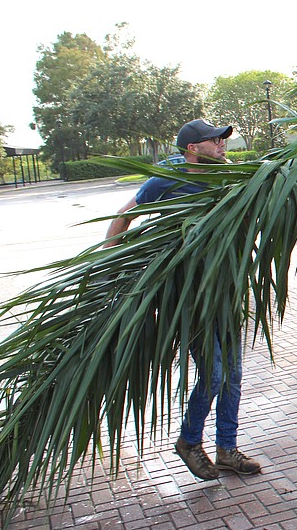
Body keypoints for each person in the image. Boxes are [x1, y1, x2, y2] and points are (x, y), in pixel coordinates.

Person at [104, 119, 261, 480]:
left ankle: (227, 449)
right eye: (215, 140)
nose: (223, 144)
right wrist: (110, 265)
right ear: (193, 148)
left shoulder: (226, 173)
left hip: (224, 287)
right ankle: (189, 441)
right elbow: (124, 215)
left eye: (223, 139)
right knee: (215, 372)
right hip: (187, 293)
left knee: (233, 375)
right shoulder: (167, 177)